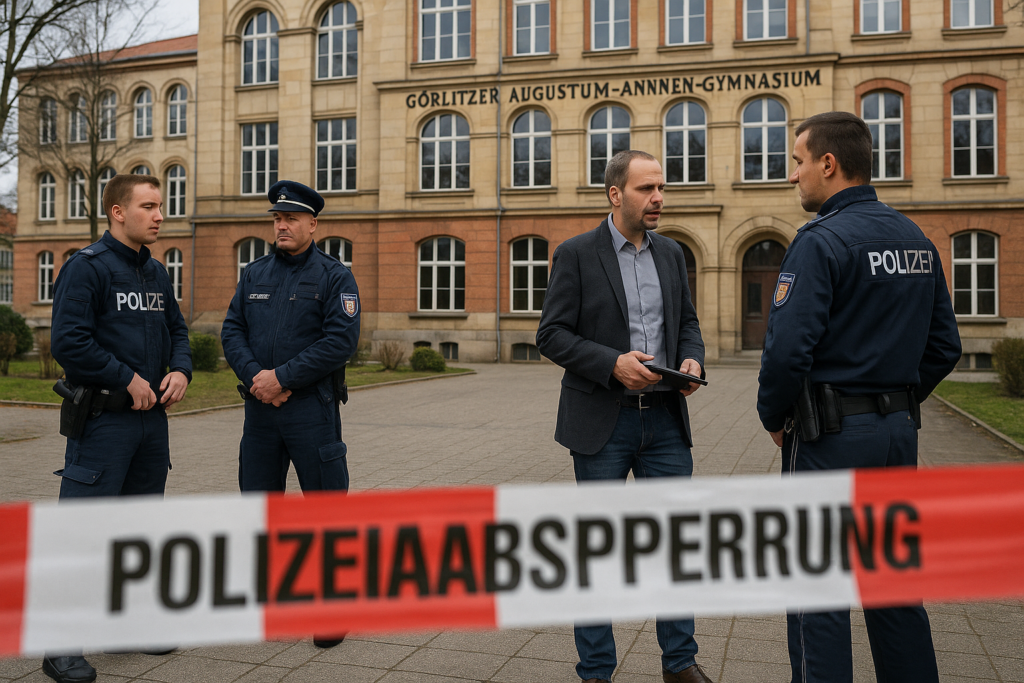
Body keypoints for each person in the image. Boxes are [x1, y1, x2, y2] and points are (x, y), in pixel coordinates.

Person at [757, 112, 962, 683]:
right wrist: (895, 398)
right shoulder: (913, 237)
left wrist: (774, 414)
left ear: (828, 164)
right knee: (895, 590)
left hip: (830, 438)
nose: (793, 175)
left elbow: (787, 350)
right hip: (897, 436)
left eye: (798, 162)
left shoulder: (820, 241)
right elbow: (945, 345)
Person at [536, 150, 713, 683]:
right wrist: (611, 363)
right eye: (646, 189)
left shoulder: (672, 254)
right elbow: (552, 335)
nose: (658, 197)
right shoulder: (576, 254)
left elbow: (688, 323)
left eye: (661, 187)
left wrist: (691, 357)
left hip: (663, 422)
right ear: (616, 194)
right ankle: (596, 670)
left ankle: (680, 663)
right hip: (601, 422)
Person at [46, 174, 192, 683]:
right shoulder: (87, 269)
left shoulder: (155, 271)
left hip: (151, 426)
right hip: (104, 422)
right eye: (149, 206)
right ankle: (59, 644)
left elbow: (178, 329)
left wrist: (180, 369)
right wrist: (126, 377)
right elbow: (68, 342)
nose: (160, 215)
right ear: (117, 212)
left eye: (161, 206)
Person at [221, 180, 359, 648]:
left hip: (311, 411)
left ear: (312, 224)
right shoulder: (255, 273)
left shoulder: (334, 276)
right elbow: (231, 330)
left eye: (291, 218)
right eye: (277, 218)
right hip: (260, 412)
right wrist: (259, 378)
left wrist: (283, 378)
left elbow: (340, 342)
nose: (281, 225)